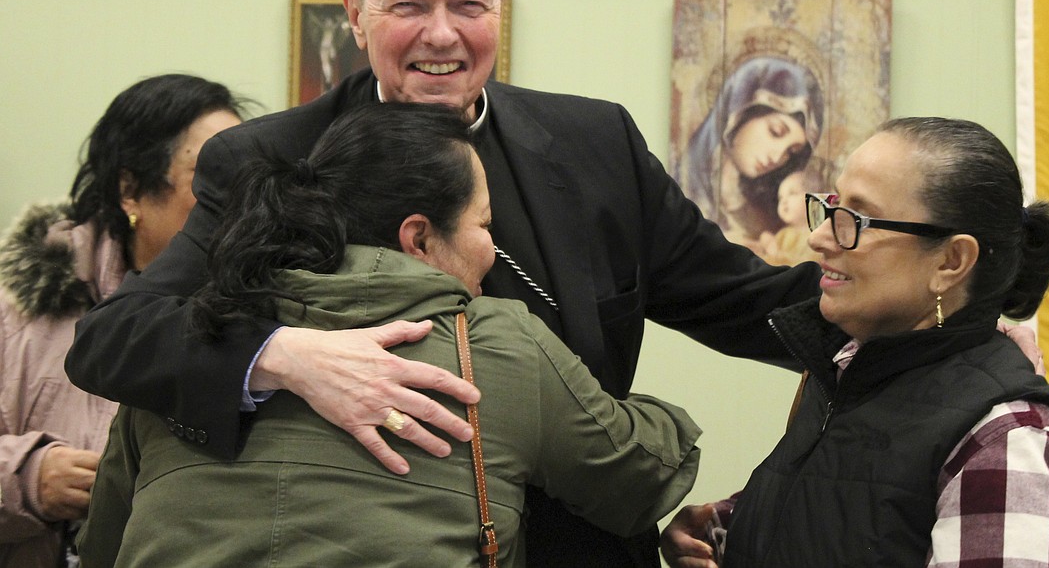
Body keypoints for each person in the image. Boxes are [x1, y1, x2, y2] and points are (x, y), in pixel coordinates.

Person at [76, 101, 701, 567]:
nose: (495, 250)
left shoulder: (188, 348)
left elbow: (103, 547)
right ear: (419, 237)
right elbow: (642, 477)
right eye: (485, 225)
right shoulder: (496, 348)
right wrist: (657, 414)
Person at [660, 116, 1049, 568]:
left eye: (855, 220)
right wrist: (723, 530)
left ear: (951, 261)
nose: (819, 237)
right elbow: (854, 515)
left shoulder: (1011, 441)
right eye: (829, 208)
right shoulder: (846, 371)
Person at [0, 74, 244, 568]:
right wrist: (26, 477)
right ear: (131, 190)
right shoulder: (21, 308)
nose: (236, 202)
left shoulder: (266, 316)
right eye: (209, 177)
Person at [677, 55, 825, 242]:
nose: (778, 156)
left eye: (790, 151)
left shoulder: (765, 214)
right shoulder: (681, 182)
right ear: (739, 113)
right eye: (776, 131)